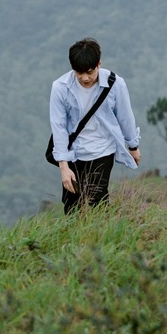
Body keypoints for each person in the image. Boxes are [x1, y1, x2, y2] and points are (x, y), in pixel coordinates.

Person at [49, 38, 140, 214]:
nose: (85, 78)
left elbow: (125, 117)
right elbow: (58, 126)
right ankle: (77, 240)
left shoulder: (115, 84)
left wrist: (133, 146)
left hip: (102, 151)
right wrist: (63, 167)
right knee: (72, 207)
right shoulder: (60, 87)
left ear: (99, 64)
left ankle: (101, 239)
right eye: (79, 73)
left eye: (90, 72)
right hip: (73, 154)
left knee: (97, 201)